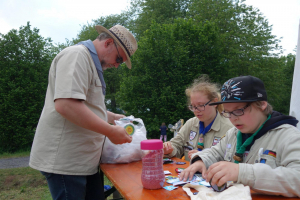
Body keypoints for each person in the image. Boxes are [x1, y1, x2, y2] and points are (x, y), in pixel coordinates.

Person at [29, 24, 138, 200]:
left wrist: (114, 117)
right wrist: (110, 131)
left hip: (85, 163)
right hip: (67, 163)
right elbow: (66, 105)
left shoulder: (92, 64)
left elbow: (87, 106)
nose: (117, 65)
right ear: (108, 43)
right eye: (119, 59)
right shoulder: (77, 56)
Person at [179, 75, 300, 197]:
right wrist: (201, 161)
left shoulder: (289, 136)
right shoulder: (234, 133)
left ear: (262, 104)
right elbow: (215, 152)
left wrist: (241, 173)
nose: (233, 119)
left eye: (238, 110)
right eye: (228, 112)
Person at [163, 75, 233, 161]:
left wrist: (205, 157)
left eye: (200, 105)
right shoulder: (191, 123)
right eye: (193, 106)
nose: (196, 110)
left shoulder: (230, 128)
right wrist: (169, 149)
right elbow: (176, 145)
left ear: (215, 102)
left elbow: (231, 162)